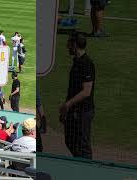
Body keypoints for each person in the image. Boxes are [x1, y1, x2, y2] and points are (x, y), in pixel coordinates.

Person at [59, 32, 95, 160]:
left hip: (82, 112)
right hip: (74, 111)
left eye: (69, 43)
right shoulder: (78, 62)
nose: (67, 46)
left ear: (75, 45)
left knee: (82, 145)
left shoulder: (86, 64)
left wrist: (67, 104)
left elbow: (86, 91)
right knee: (70, 141)